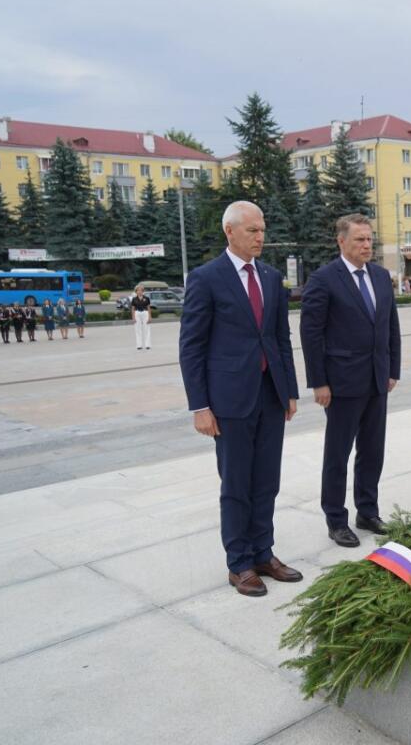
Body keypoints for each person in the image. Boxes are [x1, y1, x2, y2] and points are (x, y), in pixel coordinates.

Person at [179, 200, 302, 598]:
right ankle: (240, 563)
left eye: (262, 229)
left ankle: (263, 552)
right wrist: (200, 406)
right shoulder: (206, 278)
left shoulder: (269, 277)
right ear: (229, 232)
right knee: (236, 483)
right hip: (228, 401)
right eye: (252, 230)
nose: (260, 237)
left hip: (269, 396)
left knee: (267, 481)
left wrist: (289, 391)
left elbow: (280, 338)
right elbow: (191, 346)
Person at [300, 213, 401, 548]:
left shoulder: (381, 276)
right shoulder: (324, 279)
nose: (366, 245)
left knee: (373, 450)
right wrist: (319, 383)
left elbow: (390, 326)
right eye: (359, 239)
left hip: (376, 379)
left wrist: (392, 369)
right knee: (338, 453)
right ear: (341, 241)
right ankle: (335, 518)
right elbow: (311, 334)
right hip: (341, 383)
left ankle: (367, 511)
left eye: (369, 239)